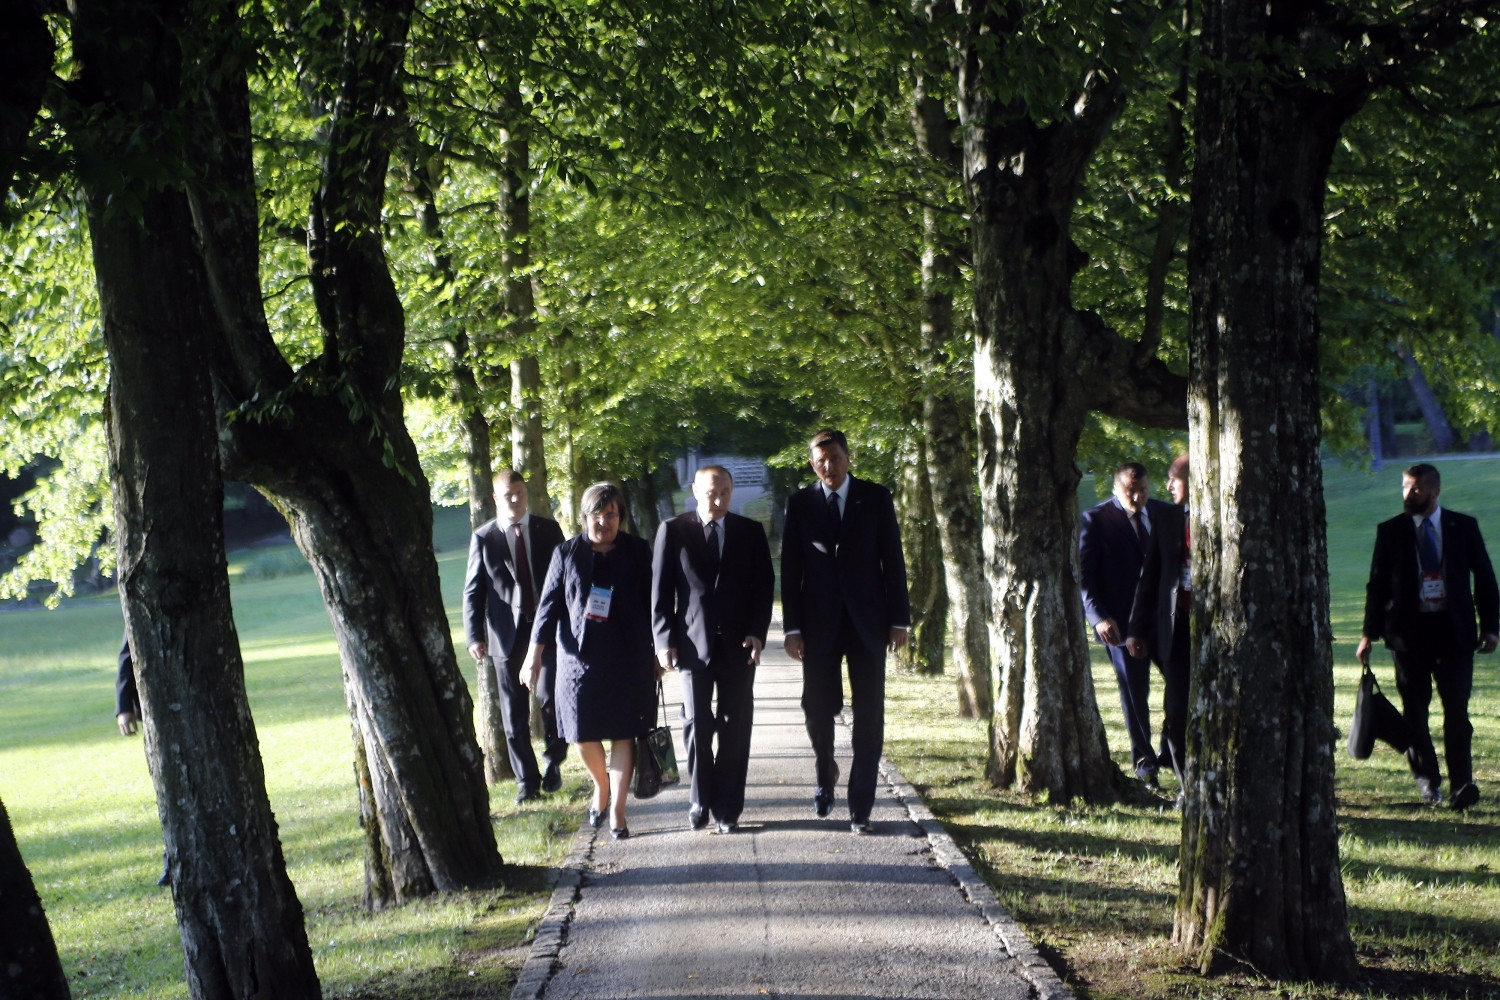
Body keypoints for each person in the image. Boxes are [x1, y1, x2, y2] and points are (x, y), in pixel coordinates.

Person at [782, 429, 910, 834]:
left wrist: (900, 620)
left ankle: (861, 806)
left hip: (868, 623)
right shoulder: (800, 504)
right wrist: (792, 628)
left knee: (869, 715)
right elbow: (791, 570)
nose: (829, 467)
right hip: (818, 625)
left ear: (848, 457)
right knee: (817, 707)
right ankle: (826, 771)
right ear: (812, 464)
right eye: (821, 461)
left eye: (835, 458)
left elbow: (893, 559)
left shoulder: (875, 498)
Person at [1356, 463, 1498, 811]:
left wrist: (1491, 627)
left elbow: (1485, 578)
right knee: (1415, 712)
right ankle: (1428, 782)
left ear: (1435, 491)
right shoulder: (1391, 531)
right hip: (1409, 636)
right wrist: (1368, 634)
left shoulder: (1463, 527)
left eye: (1416, 489)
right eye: (1405, 487)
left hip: (1454, 635)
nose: (1408, 494)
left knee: (1457, 711)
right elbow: (1377, 585)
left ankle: (1461, 784)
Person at [527, 482, 660, 839]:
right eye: (597, 515)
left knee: (624, 733)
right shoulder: (566, 553)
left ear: (621, 517)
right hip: (578, 661)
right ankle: (601, 787)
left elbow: (655, 604)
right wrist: (533, 656)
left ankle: (617, 811)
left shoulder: (638, 551)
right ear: (584, 517)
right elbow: (548, 607)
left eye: (611, 514)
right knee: (580, 733)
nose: (604, 522)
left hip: (629, 658)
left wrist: (660, 651)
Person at [652, 465, 774, 834]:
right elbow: (660, 592)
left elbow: (763, 588)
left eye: (724, 493)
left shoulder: (750, 532)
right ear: (695, 491)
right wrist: (663, 641)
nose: (718, 500)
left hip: (739, 647)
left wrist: (757, 633)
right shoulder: (673, 530)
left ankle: (727, 808)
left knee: (735, 727)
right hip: (692, 647)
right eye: (710, 493)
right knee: (697, 725)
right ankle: (699, 799)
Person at [463, 470, 568, 804]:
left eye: (520, 492)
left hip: (547, 630)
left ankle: (554, 760)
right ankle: (528, 782)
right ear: (496, 498)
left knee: (552, 698)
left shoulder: (548, 530)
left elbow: (568, 577)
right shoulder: (484, 538)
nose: (515, 499)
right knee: (514, 713)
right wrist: (474, 636)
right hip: (505, 636)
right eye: (508, 494)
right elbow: (473, 591)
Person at [1080, 461, 1173, 786]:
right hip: (1120, 627)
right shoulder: (1096, 520)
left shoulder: (1165, 514)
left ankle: (1170, 752)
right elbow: (1085, 578)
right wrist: (1098, 618)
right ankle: (1145, 764)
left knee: (1181, 687)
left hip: (1165, 623)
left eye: (1143, 490)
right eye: (1130, 491)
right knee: (1135, 695)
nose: (1137, 497)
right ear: (1116, 488)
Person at [1126, 455, 1191, 792]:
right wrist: (1136, 630)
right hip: (1177, 634)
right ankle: (1187, 786)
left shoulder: (1227, 514)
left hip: (1220, 633)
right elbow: (1149, 578)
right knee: (1176, 712)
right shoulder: (1167, 518)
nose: (1167, 486)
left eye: (1174, 479)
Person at [114, 634, 170, 886]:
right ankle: (173, 859)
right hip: (158, 706)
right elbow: (128, 654)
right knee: (170, 785)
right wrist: (123, 706)